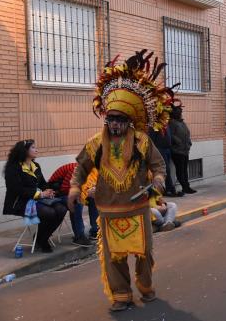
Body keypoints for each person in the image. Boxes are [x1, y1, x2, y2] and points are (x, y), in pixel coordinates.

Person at [68, 50, 170, 312]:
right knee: (114, 258)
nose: (114, 124)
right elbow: (81, 167)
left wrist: (158, 179)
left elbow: (158, 165)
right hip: (108, 211)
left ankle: (145, 288)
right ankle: (121, 295)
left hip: (137, 208)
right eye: (110, 118)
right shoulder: (95, 144)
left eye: (119, 120)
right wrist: (74, 187)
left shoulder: (142, 141)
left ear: (128, 121)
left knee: (144, 254)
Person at [2, 139, 67, 253]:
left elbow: (42, 184)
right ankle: (42, 240)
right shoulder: (13, 168)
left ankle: (41, 238)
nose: (36, 149)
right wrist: (40, 194)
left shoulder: (35, 165)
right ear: (24, 151)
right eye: (33, 147)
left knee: (61, 209)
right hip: (21, 202)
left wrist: (49, 190)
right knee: (49, 213)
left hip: (38, 200)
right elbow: (17, 190)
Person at [48, 163, 97, 246]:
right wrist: (86, 192)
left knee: (94, 199)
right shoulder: (76, 171)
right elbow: (65, 189)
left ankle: (95, 231)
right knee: (77, 201)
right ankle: (79, 236)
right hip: (57, 192)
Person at [170, 105, 196, 194]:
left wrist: (189, 142)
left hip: (185, 150)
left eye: (180, 113)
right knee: (180, 170)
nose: (181, 114)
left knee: (185, 170)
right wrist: (178, 141)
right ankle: (185, 187)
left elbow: (187, 133)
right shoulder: (172, 123)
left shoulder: (182, 123)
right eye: (179, 113)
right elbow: (170, 135)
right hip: (177, 151)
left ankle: (187, 186)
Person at [148, 126, 181, 197]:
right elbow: (151, 140)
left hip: (167, 149)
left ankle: (170, 189)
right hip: (160, 149)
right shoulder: (154, 126)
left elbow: (169, 136)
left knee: (168, 169)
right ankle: (169, 189)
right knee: (166, 170)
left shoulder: (166, 124)